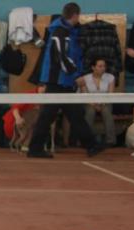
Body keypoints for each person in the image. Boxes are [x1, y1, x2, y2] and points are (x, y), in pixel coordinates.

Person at [27, 2, 104, 158]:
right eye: (79, 16)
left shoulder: (68, 32)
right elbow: (61, 57)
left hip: (64, 81)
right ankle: (35, 148)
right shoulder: (59, 33)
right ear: (75, 15)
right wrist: (76, 74)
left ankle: (91, 145)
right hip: (57, 81)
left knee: (74, 115)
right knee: (48, 116)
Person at [77, 57, 116, 146]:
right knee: (90, 112)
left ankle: (111, 141)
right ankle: (86, 140)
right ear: (93, 67)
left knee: (106, 112)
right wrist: (94, 105)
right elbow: (85, 95)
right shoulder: (85, 78)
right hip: (89, 102)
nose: (103, 68)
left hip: (105, 102)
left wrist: (102, 104)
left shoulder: (110, 77)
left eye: (104, 66)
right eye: (100, 66)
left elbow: (110, 94)